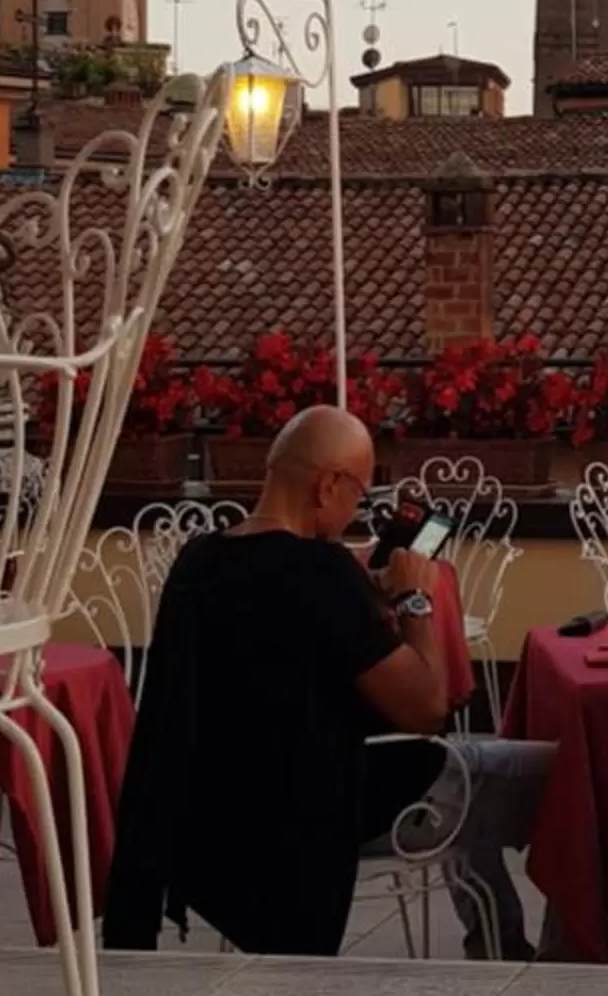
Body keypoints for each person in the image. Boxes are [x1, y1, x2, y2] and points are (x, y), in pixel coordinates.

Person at [104, 406, 551, 959]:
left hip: (218, 827)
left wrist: (362, 597)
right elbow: (427, 707)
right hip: (311, 818)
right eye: (359, 495)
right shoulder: (321, 572)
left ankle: (502, 944)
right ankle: (568, 953)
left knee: (476, 772)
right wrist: (415, 597)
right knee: (565, 775)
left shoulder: (197, 561)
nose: (356, 510)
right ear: (328, 486)